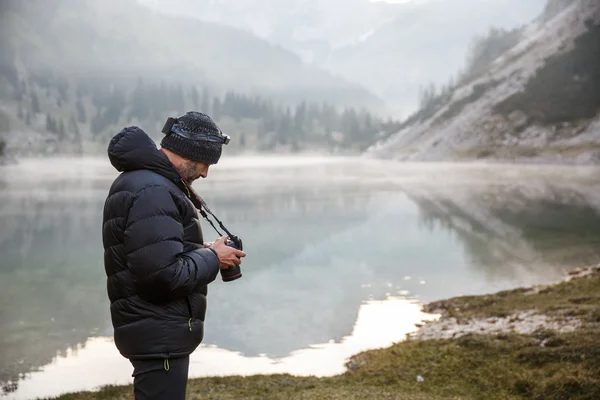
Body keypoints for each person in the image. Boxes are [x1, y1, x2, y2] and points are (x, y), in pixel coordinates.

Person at [102, 111, 246, 399]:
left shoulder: (148, 184)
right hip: (159, 335)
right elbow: (162, 276)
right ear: (189, 153)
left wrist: (203, 251)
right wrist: (214, 258)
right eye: (206, 164)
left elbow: (156, 257)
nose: (205, 173)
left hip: (156, 331)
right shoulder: (153, 191)